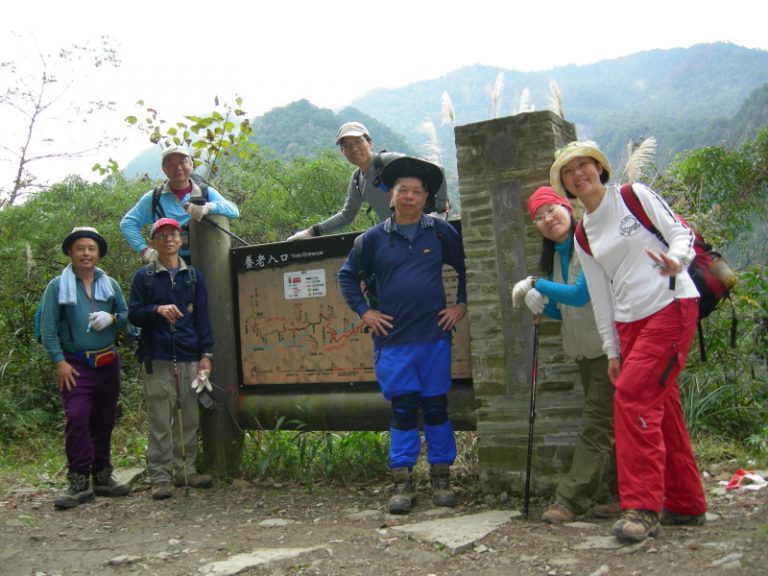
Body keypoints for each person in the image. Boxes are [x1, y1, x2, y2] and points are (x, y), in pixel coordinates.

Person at [550, 140, 707, 543]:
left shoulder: (632, 196)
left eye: (584, 165)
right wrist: (612, 350)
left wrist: (678, 261)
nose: (578, 174)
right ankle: (686, 504)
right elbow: (601, 296)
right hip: (629, 324)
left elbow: (678, 232)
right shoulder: (584, 233)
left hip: (670, 305)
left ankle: (642, 506)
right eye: (569, 171)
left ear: (599, 168)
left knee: (632, 398)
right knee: (662, 407)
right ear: (565, 184)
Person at [338, 156, 467, 514]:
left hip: (434, 338)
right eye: (402, 191)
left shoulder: (440, 232)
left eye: (416, 191)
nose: (409, 196)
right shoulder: (372, 240)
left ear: (425, 197)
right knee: (404, 409)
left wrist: (461, 304)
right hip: (393, 341)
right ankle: (403, 481)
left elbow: (465, 267)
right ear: (391, 196)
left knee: (437, 407)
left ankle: (442, 476)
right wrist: (365, 312)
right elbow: (347, 277)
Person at [512, 186, 616, 524]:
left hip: (610, 347)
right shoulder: (556, 254)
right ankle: (623, 494)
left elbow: (580, 294)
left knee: (596, 426)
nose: (546, 220)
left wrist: (534, 284)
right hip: (586, 351)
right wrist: (542, 305)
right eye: (538, 217)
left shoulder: (589, 240)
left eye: (551, 210)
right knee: (613, 425)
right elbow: (567, 308)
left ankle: (570, 500)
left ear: (567, 207)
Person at [40, 226, 131, 509]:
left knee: (104, 420)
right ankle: (79, 480)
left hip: (107, 362)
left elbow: (127, 317)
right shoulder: (57, 286)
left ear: (98, 254)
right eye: (80, 248)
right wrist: (59, 361)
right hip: (76, 364)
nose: (86, 253)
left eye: (91, 248)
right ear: (70, 251)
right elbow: (48, 327)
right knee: (77, 417)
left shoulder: (110, 284)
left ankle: (102, 476)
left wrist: (112, 317)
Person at [128, 217, 215, 499]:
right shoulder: (144, 276)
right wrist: (157, 310)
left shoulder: (193, 276)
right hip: (157, 356)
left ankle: (185, 470)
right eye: (161, 235)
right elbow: (134, 314)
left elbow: (202, 316)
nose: (168, 239)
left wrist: (206, 355)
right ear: (153, 242)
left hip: (190, 355)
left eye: (173, 234)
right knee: (161, 419)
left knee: (188, 417)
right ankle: (160, 477)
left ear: (181, 240)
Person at [286, 122, 449, 240]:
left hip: (420, 232)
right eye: (347, 145)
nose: (354, 148)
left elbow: (437, 169)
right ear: (343, 152)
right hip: (395, 239)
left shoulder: (388, 161)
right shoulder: (357, 180)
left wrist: (440, 210)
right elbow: (346, 216)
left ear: (369, 143)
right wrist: (310, 232)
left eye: (358, 142)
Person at [120, 145, 240, 263]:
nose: (178, 167)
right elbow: (128, 223)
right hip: (169, 267)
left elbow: (234, 211)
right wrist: (144, 250)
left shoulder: (205, 192)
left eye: (183, 162)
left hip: (207, 262)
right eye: (171, 164)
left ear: (191, 165)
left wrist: (208, 207)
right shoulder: (154, 198)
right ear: (164, 169)